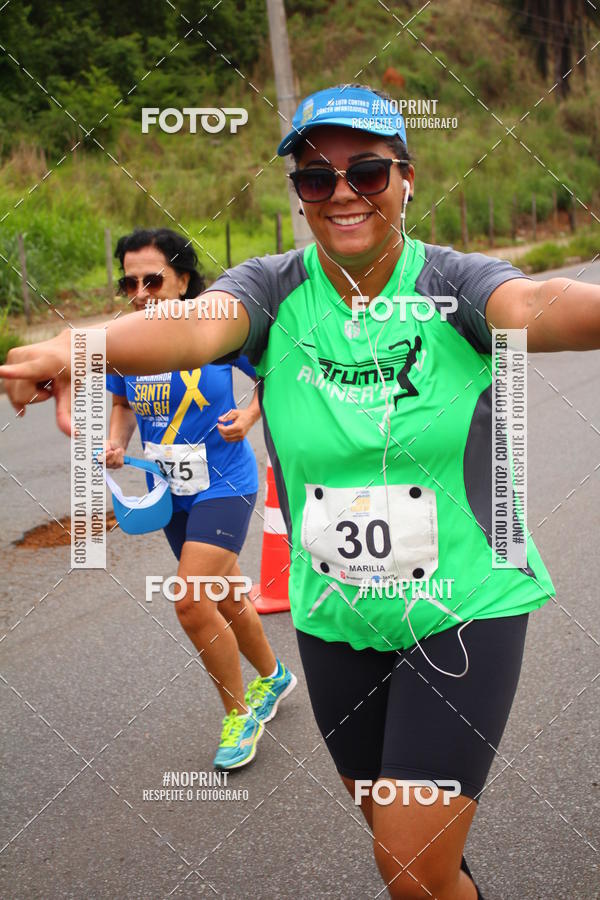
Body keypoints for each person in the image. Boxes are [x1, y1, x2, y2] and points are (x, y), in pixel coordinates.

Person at [2, 84, 599, 899]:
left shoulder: (457, 283)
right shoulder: (274, 291)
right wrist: (79, 346)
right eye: (316, 178)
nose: (343, 192)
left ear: (408, 179)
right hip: (335, 619)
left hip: (463, 609)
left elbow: (535, 303)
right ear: (299, 196)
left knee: (408, 867)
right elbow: (192, 324)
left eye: (368, 172)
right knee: (421, 860)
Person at [107, 227, 296, 770]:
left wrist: (251, 413)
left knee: (191, 601)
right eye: (128, 282)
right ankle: (274, 677)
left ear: (183, 279)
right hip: (168, 489)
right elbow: (121, 403)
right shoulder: (128, 339)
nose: (139, 292)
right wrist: (117, 442)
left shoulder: (214, 329)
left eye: (152, 279)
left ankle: (238, 716)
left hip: (225, 484)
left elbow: (274, 371)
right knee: (227, 594)